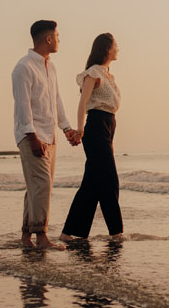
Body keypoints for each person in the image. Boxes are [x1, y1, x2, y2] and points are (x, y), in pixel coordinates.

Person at [12, 19, 79, 250]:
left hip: (50, 136)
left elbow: (56, 100)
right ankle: (41, 237)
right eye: (58, 36)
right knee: (42, 185)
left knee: (37, 187)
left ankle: (26, 237)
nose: (60, 40)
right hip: (32, 136)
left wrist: (67, 128)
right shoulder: (24, 67)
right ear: (48, 39)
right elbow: (23, 106)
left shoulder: (51, 67)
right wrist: (32, 137)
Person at [59, 33, 124, 241]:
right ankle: (116, 232)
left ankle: (69, 233)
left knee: (92, 184)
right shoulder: (93, 73)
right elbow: (83, 103)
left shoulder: (108, 76)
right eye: (115, 46)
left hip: (107, 127)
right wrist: (80, 130)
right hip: (95, 128)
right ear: (106, 48)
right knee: (109, 180)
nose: (118, 49)